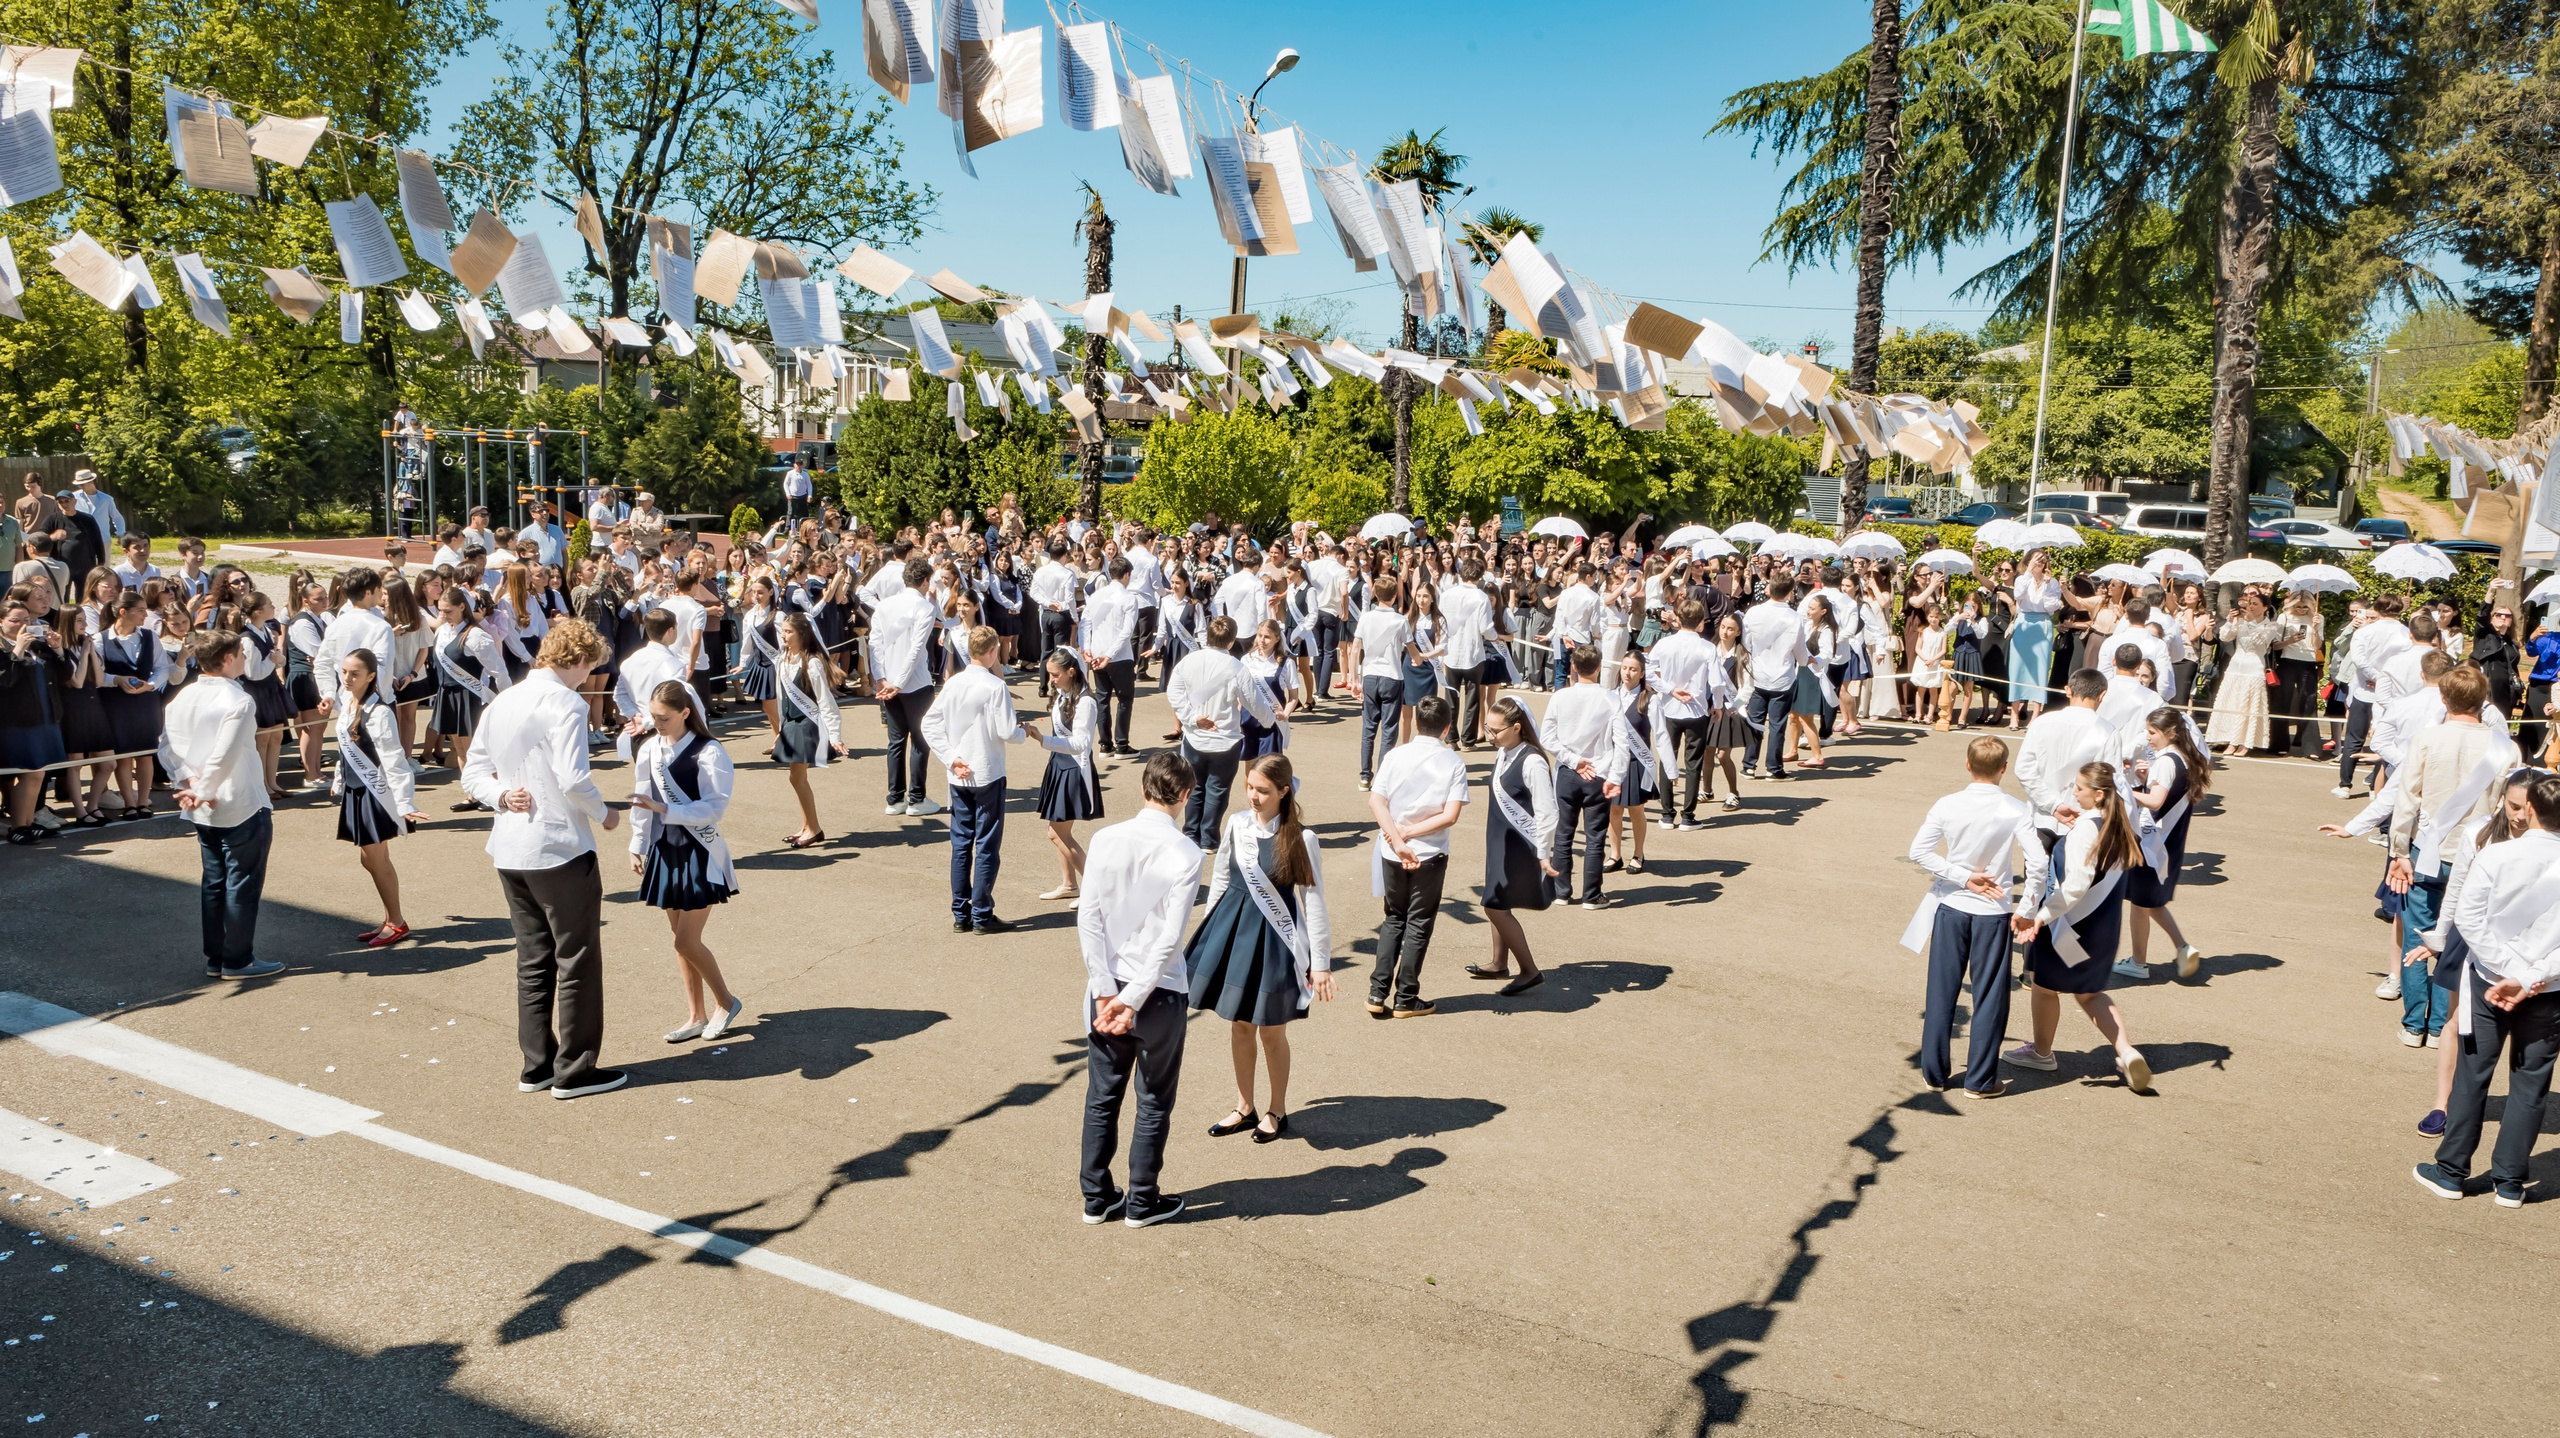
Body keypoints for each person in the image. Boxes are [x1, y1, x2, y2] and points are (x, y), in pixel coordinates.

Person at [462, 618, 627, 1100]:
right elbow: (574, 777)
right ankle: (574, 1070)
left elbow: (472, 773)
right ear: (578, 660)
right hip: (557, 845)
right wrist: (605, 813)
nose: (590, 674)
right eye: (591, 665)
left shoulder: (503, 699)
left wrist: (500, 794)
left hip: (510, 847)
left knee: (533, 958)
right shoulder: (567, 702)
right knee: (576, 957)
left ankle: (537, 1065)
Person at [2412, 772, 2560, 1208]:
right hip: (2548, 988)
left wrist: (2506, 970)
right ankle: (2510, 1182)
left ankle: (2452, 1171)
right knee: (2531, 1084)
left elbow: (2469, 919)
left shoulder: (2496, 857)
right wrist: (2532, 977)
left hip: (2489, 981)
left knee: (2473, 1073)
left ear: (2529, 808)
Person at [1076, 751, 1205, 1228]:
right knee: (1153, 1100)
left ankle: (1096, 1195)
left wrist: (1107, 989)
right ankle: (1142, 1200)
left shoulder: (1106, 838)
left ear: (1144, 788)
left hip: (1106, 986)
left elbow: (1087, 917)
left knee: (1102, 1095)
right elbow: (1171, 937)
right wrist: (1133, 999)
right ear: (1186, 796)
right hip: (1159, 991)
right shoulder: (1188, 853)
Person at [1187, 753, 1334, 1144]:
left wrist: (1320, 964)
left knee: (1271, 1032)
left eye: (1263, 790)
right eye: (1249, 787)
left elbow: (1314, 903)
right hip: (1234, 934)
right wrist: (1207, 934)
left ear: (1284, 792)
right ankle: (1244, 1105)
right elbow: (1220, 881)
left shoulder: (1302, 838)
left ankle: (1277, 1109)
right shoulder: (1236, 824)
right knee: (1239, 1026)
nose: (1253, 796)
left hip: (1275, 944)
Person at [1905, 735, 2045, 1097]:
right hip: (1993, 912)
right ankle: (1980, 1080)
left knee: (1941, 991)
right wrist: (2027, 909)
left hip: (1951, 906)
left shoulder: (1947, 804)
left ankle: (1935, 1074)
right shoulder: (2017, 808)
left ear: (1967, 764)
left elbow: (1918, 851)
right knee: (1990, 996)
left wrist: (1963, 876)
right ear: (2003, 768)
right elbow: (2039, 864)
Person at [2003, 761, 2151, 1089]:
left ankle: (2041, 1053)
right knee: (2088, 993)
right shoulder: (2118, 821)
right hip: (2104, 926)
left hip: (2071, 927)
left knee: (2043, 987)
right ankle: (2125, 1051)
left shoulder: (2086, 828)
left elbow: (2074, 887)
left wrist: (2040, 917)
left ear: (2098, 795)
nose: (2074, 791)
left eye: (2080, 788)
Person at [628, 679, 747, 1045]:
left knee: (685, 941)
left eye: (663, 718)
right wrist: (637, 843)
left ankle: (725, 1003)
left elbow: (714, 808)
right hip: (665, 849)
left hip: (700, 851)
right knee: (679, 940)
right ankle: (695, 1014)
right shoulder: (649, 748)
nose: (657, 724)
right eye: (653, 717)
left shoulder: (709, 751)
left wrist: (666, 809)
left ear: (685, 712)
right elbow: (642, 798)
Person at [162, 630, 282, 979]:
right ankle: (238, 959)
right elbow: (225, 752)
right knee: (241, 881)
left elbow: (166, 748)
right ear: (228, 658)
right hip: (238, 800)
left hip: (201, 801)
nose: (245, 659)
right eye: (241, 654)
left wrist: (189, 783)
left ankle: (218, 956)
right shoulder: (239, 701)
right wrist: (204, 788)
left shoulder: (182, 697)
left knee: (214, 880)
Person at [923, 624, 1036, 935]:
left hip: (959, 773)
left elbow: (929, 724)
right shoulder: (995, 686)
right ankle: (982, 914)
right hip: (987, 771)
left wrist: (950, 757)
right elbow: (1006, 732)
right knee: (986, 846)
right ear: (991, 651)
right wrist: (1024, 732)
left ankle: (961, 912)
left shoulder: (954, 684)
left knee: (961, 845)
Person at [1365, 694, 1471, 1018]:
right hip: (1430, 851)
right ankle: (1406, 997)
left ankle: (1376, 991)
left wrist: (1397, 838)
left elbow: (1376, 801)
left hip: (1392, 850)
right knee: (1419, 922)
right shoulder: (1453, 762)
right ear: (1446, 728)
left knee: (1393, 917)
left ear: (1417, 723)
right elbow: (1450, 815)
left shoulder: (1397, 755)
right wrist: (1410, 835)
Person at [1464, 695, 1560, 998]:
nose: (1490, 736)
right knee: (1498, 901)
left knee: (1493, 905)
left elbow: (1548, 811)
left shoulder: (1532, 761)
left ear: (1517, 728)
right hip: (1500, 840)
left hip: (1520, 845)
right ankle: (1498, 963)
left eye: (1495, 731)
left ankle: (1529, 970)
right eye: (1488, 729)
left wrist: (1543, 852)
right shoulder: (1504, 751)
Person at [330, 648, 426, 948]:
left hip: (375, 794)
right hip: (356, 790)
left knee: (377, 859)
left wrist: (405, 802)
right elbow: (346, 747)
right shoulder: (347, 701)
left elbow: (394, 760)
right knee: (368, 859)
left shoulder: (379, 712)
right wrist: (338, 777)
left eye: (355, 673)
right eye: (344, 671)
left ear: (371, 676)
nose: (347, 678)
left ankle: (397, 922)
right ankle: (390, 918)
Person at [1166, 615, 1276, 849]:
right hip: (1225, 739)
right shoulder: (1237, 667)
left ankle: (1191, 834)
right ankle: (1209, 838)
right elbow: (1254, 703)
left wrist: (1192, 718)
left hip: (1194, 736)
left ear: (1208, 636)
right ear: (1231, 640)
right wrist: (1270, 720)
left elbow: (1173, 692)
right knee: (1217, 790)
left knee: (1193, 788)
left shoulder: (1189, 661)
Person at [2123, 708, 2209, 982]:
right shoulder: (2183, 757)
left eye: (2151, 732)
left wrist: (2124, 789)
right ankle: (2182, 948)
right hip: (2166, 841)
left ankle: (2139, 962)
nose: (2147, 738)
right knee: (2151, 902)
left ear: (2170, 733)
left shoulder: (2165, 761)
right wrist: (2144, 781)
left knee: (2141, 902)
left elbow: (2157, 801)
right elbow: (2165, 794)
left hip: (2152, 842)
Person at [1540, 646, 1627, 909]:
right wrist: (1616, 777)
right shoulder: (1611, 699)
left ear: (1574, 667)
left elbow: (1547, 738)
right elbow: (1622, 743)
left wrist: (1573, 760)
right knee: (1595, 836)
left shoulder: (1560, 697)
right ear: (1600, 667)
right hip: (1599, 773)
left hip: (1568, 773)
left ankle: (1561, 891)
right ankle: (1591, 894)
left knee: (1564, 834)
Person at [869, 556, 943, 817]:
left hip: (889, 680)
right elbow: (916, 648)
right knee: (920, 741)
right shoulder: (924, 606)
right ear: (925, 581)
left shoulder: (886, 605)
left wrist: (881, 678)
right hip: (914, 682)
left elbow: (874, 643)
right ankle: (916, 798)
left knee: (896, 740)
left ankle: (895, 798)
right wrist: (897, 682)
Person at [430, 587, 511, 810]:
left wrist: (506, 701)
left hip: (471, 697)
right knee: (461, 749)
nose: (443, 616)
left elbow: (499, 672)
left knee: (483, 750)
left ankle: (494, 793)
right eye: (440, 611)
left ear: (462, 607)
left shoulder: (476, 635)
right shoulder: (443, 632)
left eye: (448, 611)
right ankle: (473, 794)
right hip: (448, 696)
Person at [770, 612, 845, 850]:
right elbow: (781, 697)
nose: (783, 635)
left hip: (806, 724)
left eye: (789, 631)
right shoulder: (783, 659)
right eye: (782, 631)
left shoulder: (811, 663)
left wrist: (835, 736)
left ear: (801, 634)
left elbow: (826, 702)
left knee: (798, 778)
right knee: (796, 778)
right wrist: (780, 729)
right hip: (791, 724)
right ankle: (806, 826)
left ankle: (813, 829)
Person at [1036, 650, 1103, 901]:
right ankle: (1069, 885)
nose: (1051, 679)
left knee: (1057, 833)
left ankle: (1096, 889)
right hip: (1059, 764)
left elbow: (1080, 743)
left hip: (1073, 767)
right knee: (1057, 831)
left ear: (1071, 671)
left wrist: (1043, 739)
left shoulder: (1085, 702)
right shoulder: (1063, 694)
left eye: (1055, 674)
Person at [97, 590, 169, 820]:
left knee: (145, 753)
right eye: (139, 610)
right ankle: (129, 802)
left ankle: (143, 801)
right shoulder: (101, 639)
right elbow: (97, 674)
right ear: (122, 612)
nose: (144, 615)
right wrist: (116, 680)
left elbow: (162, 667)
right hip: (116, 703)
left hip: (145, 701)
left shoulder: (149, 636)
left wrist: (152, 685)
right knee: (124, 755)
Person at [1742, 573, 1807, 780]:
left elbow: (1746, 643)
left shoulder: (1753, 612)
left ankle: (1749, 765)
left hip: (1758, 671)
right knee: (1778, 723)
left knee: (1755, 720)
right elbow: (1800, 652)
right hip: (1783, 675)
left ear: (1769, 589)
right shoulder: (1794, 617)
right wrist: (1807, 661)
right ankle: (1774, 767)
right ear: (1790, 593)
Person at [1353, 577, 1412, 789]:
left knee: (1368, 728)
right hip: (1392, 675)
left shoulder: (1366, 617)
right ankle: (1383, 776)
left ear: (1376, 595)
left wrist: (1354, 679)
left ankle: (1364, 775)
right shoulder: (1400, 620)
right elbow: (1411, 649)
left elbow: (1355, 648)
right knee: (1389, 729)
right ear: (1395, 596)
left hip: (1369, 674)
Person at [1081, 554, 1142, 755]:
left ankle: (1105, 744)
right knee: (1125, 699)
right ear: (1127, 575)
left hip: (1098, 651)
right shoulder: (1128, 597)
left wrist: (1087, 648)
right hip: (1119, 655)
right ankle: (1121, 744)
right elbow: (1127, 631)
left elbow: (1085, 623)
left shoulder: (1097, 595)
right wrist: (1110, 654)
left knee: (1102, 698)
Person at [1607, 652, 1659, 874]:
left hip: (1637, 763)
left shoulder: (1650, 699)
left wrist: (1669, 768)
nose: (1627, 673)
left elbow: (1662, 735)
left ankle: (1638, 853)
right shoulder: (1610, 696)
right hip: (1613, 762)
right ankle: (1615, 854)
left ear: (1642, 673)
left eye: (1633, 669)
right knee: (1614, 810)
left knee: (1636, 810)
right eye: (1625, 668)